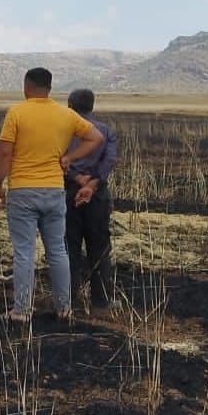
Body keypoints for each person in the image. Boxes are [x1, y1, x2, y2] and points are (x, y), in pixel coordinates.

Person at [0, 68, 104, 321]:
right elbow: (95, 137)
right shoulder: (65, 114)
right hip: (54, 189)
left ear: (26, 86)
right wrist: (69, 157)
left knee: (24, 252)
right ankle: (64, 308)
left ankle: (21, 310)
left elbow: (4, 153)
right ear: (50, 88)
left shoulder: (17, 112)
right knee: (57, 251)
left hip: (23, 190)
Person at [62, 88, 118, 309]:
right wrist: (93, 183)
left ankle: (68, 299)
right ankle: (101, 300)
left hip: (67, 192)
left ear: (69, 105)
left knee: (68, 246)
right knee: (100, 246)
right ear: (92, 106)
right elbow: (109, 161)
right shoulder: (105, 131)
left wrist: (76, 178)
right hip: (97, 195)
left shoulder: (62, 132)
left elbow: (58, 160)